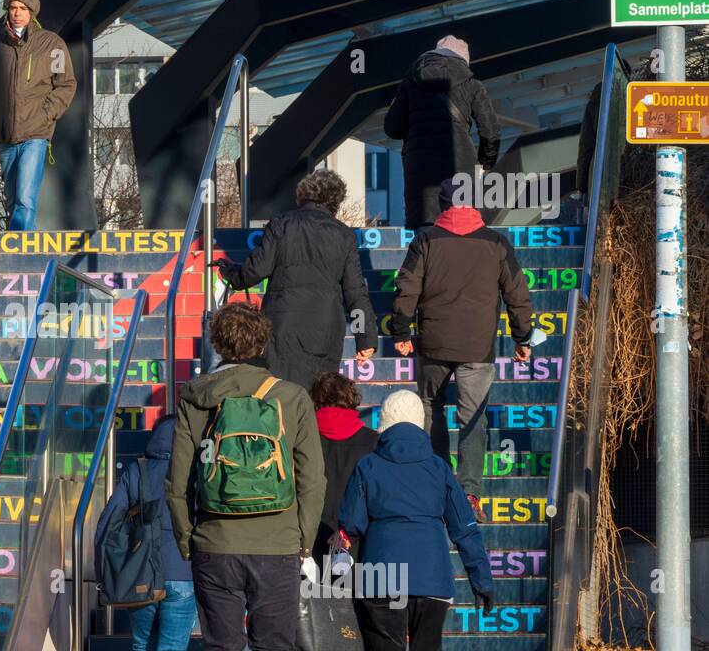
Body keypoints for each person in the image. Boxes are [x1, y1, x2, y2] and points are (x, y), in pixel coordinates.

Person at [165, 302, 326, 651]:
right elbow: (313, 479)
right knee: (276, 647)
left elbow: (177, 482)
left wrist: (187, 539)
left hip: (215, 544)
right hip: (277, 545)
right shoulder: (292, 397)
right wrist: (302, 542)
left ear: (218, 343)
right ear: (262, 342)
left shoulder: (197, 394)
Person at [337, 390, 494, 651]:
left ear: (385, 423)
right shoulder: (439, 468)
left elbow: (352, 524)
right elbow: (464, 528)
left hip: (381, 575)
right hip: (432, 576)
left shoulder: (368, 465)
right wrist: (481, 580)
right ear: (421, 424)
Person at [391, 178, 534, 520]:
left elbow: (407, 287)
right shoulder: (496, 242)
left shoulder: (425, 240)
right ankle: (469, 492)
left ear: (442, 206)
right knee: (473, 416)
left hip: (433, 342)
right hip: (477, 346)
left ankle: (436, 484)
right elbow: (517, 292)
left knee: (430, 408)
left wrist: (401, 329)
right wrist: (522, 337)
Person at [218, 168, 377, 390]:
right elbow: (356, 292)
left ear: (303, 194)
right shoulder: (344, 235)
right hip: (326, 331)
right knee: (319, 396)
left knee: (279, 393)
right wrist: (365, 337)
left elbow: (256, 270)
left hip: (282, 326)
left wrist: (230, 273)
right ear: (336, 200)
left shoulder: (282, 224)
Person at [94, 416, 196, 651]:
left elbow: (109, 521)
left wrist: (108, 569)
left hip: (141, 575)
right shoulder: (195, 470)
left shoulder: (137, 470)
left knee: (142, 647)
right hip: (183, 572)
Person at [302, 371, 378, 651]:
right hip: (359, 549)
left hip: (310, 545)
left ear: (316, 401)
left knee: (309, 626)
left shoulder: (304, 437)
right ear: (353, 400)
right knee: (360, 634)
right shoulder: (372, 442)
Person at [0, 0, 77, 231]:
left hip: (36, 134)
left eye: (22, 8)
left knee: (25, 197)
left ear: (32, 12)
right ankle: (16, 243)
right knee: (11, 197)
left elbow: (65, 84)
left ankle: (21, 249)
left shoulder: (52, 44)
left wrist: (46, 115)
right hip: (4, 133)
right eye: (13, 8)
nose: (17, 12)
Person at [383, 36, 501, 228]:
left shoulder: (409, 84)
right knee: (461, 230)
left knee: (425, 237)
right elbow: (491, 131)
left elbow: (392, 128)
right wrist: (486, 162)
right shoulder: (472, 85)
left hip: (420, 172)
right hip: (460, 169)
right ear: (464, 60)